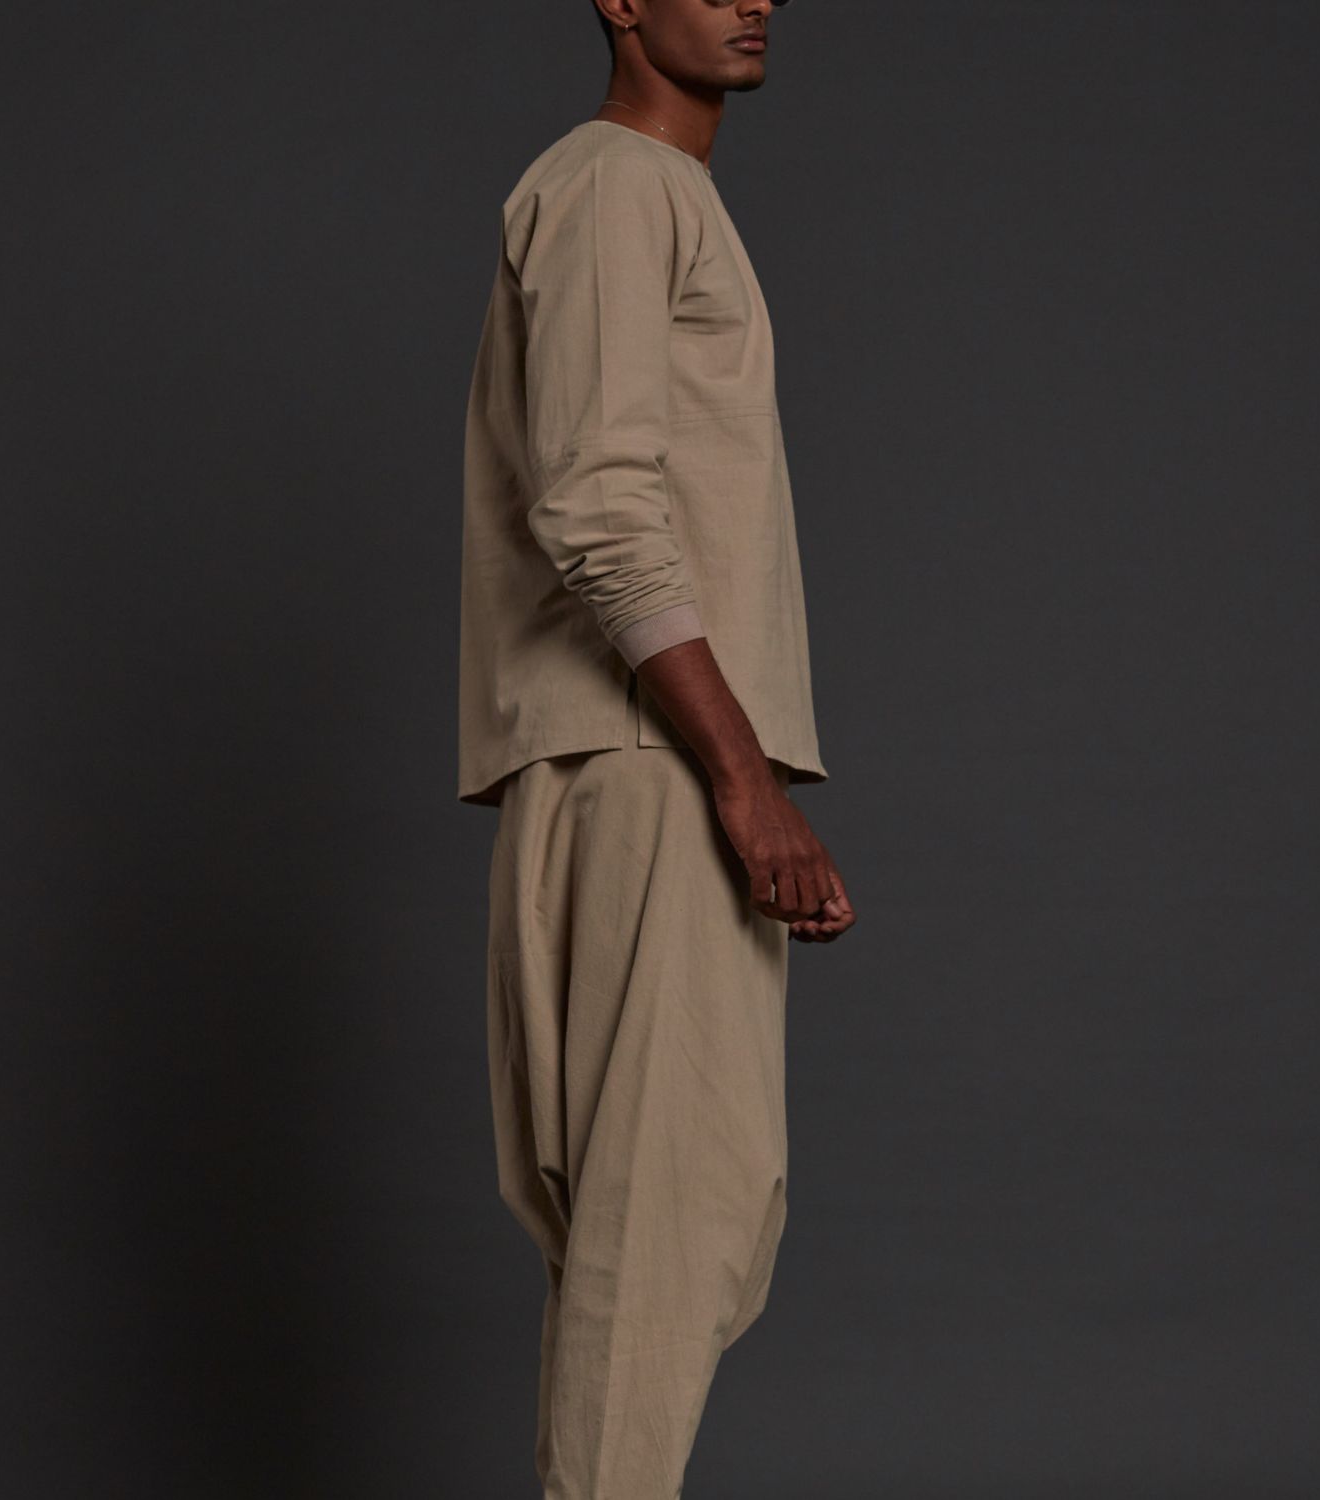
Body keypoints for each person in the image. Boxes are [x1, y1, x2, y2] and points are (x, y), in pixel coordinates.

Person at [457, 1, 856, 1493]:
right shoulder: (619, 186)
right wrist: (745, 784)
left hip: (624, 749)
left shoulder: (638, 191)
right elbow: (597, 504)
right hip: (657, 756)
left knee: (647, 1231)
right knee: (668, 1222)